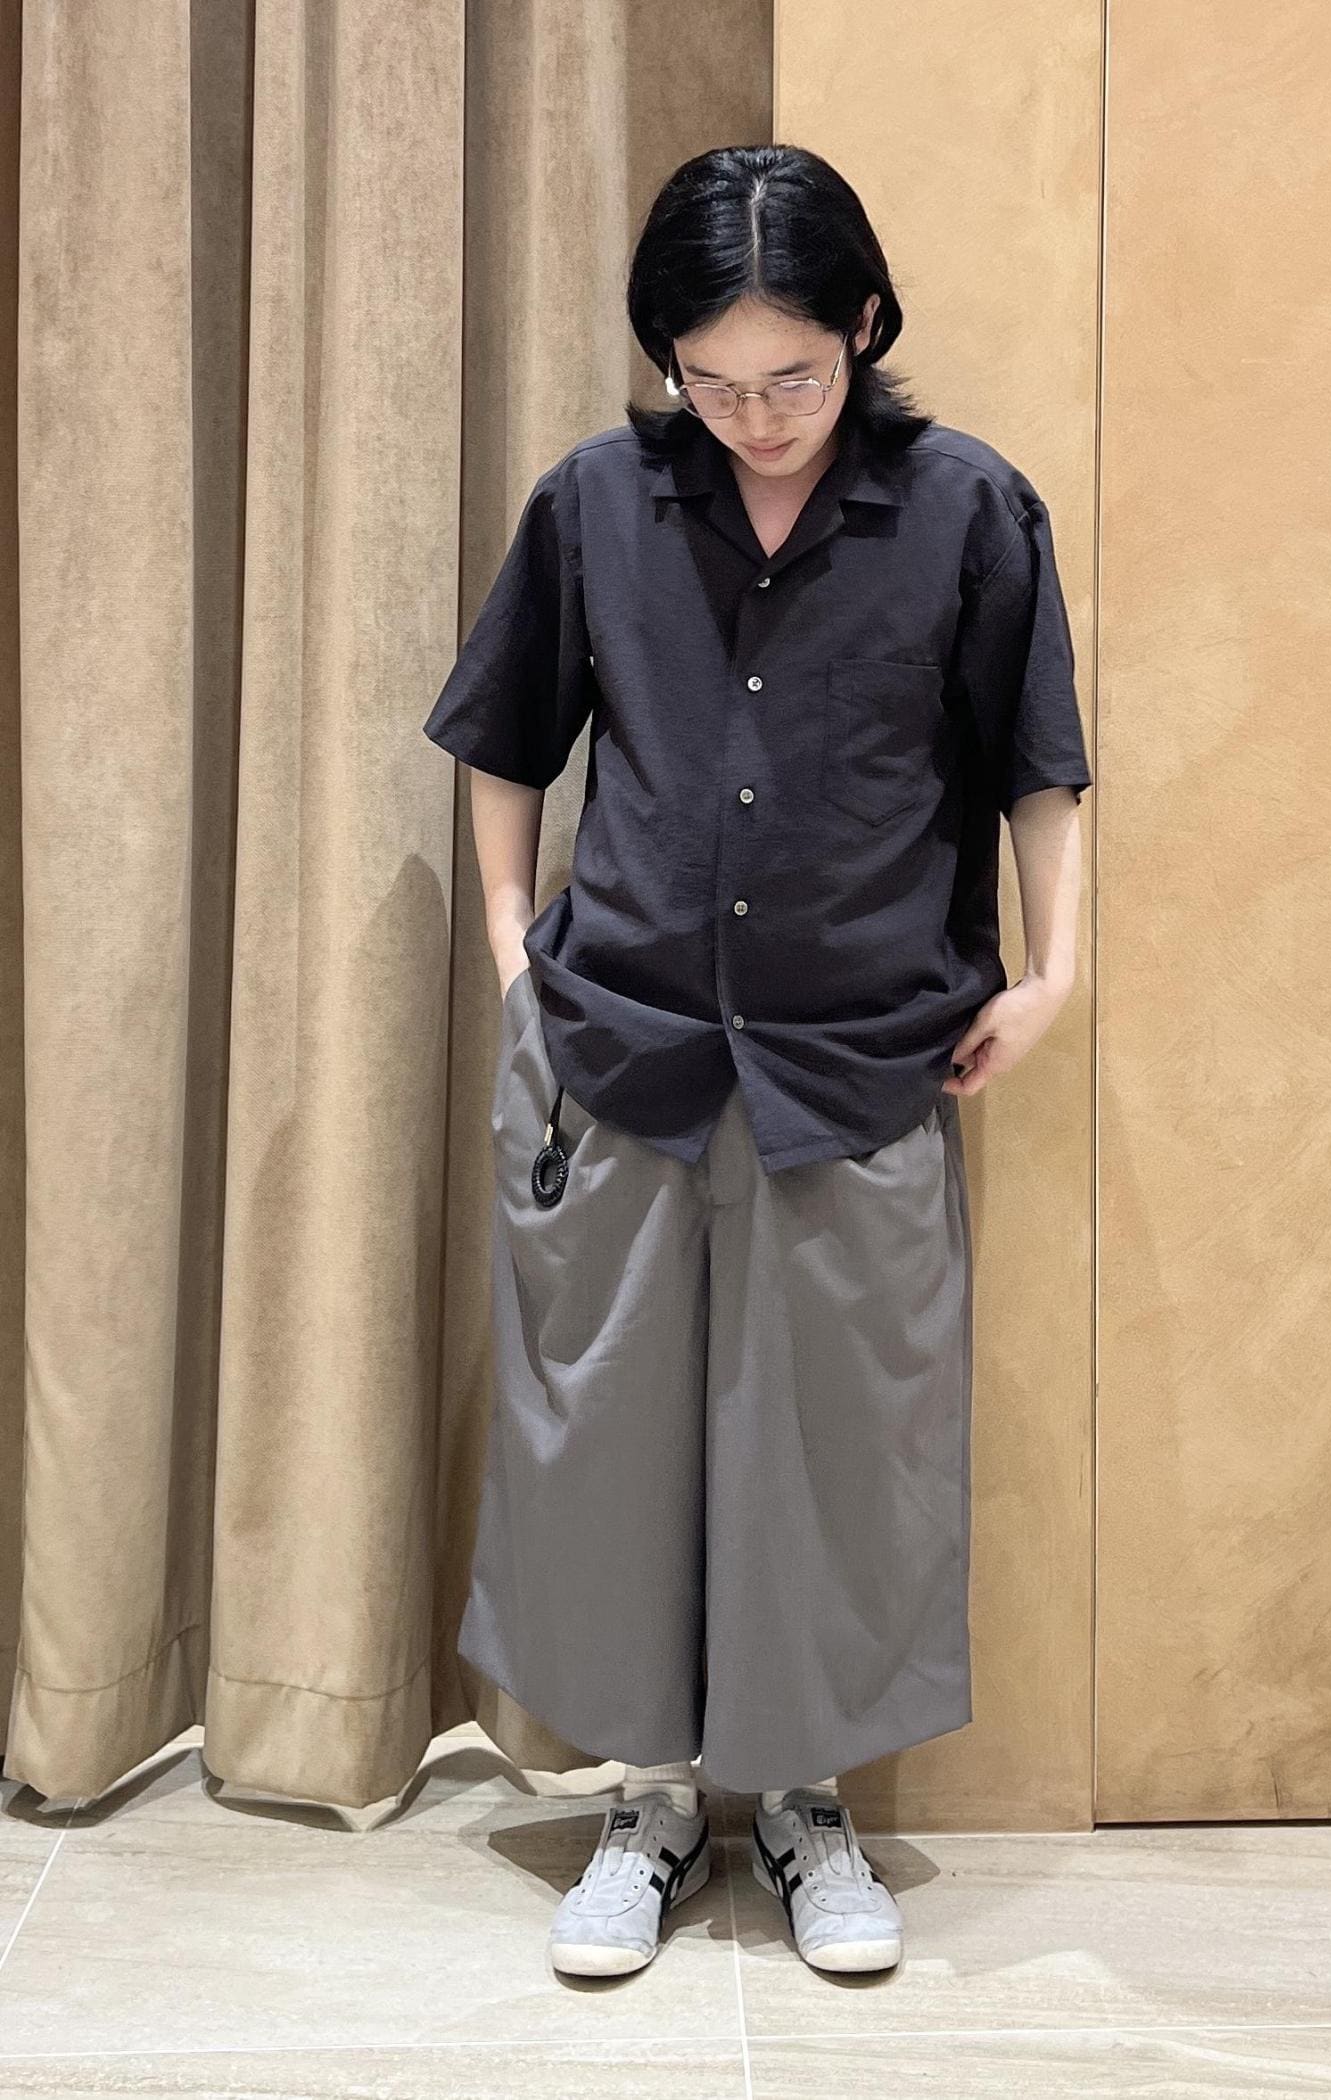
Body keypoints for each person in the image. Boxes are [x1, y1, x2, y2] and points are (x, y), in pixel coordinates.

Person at [422, 142, 1092, 1980]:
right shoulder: (598, 502)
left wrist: (1055, 974)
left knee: (837, 1449)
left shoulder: (968, 512)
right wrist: (515, 956)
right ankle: (644, 1802)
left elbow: (1037, 763)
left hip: (860, 1058)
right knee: (609, 1445)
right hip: (624, 1046)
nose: (755, 416)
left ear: (865, 324)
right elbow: (506, 739)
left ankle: (803, 1804)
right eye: (708, 382)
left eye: (791, 375)